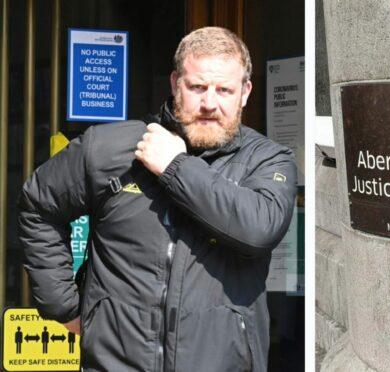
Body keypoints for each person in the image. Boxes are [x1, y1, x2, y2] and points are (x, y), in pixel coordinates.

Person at [18, 26, 297, 372]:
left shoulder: (267, 160)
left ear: (245, 92)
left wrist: (174, 167)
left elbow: (260, 230)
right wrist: (64, 307)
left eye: (224, 89)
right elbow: (38, 206)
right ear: (175, 83)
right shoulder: (110, 148)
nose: (210, 103)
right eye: (197, 87)